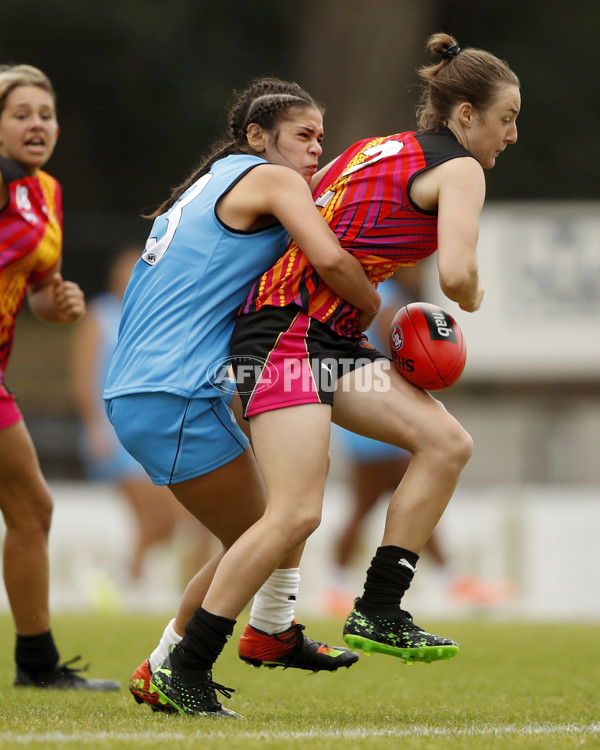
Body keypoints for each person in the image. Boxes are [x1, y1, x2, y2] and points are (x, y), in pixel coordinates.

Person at [151, 33, 520, 717]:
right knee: (294, 512)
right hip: (290, 337)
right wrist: (469, 300)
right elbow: (458, 273)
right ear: (465, 116)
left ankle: (379, 609)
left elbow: (328, 223)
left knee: (446, 444)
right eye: (506, 119)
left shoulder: (374, 147)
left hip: (326, 340)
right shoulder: (464, 169)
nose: (513, 135)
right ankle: (186, 666)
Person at [103, 78, 381, 716]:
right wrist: (367, 304)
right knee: (273, 527)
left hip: (153, 387)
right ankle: (210, 654)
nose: (315, 150)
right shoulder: (271, 179)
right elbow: (333, 261)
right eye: (303, 135)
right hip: (168, 390)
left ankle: (176, 661)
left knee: (263, 531)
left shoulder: (214, 182)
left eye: (321, 137)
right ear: (257, 137)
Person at [0, 64, 120, 690]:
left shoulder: (44, 190)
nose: (37, 125)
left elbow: (39, 287)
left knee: (32, 509)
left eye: (45, 114)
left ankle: (38, 666)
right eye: (20, 114)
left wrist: (59, 300)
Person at [322, 273, 514, 617]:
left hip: (364, 408)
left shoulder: (353, 287)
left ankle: (448, 580)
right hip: (380, 411)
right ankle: (448, 581)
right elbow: (397, 354)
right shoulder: (385, 293)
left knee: (394, 504)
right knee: (395, 503)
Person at [71, 246, 217, 601]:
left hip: (147, 433)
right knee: (156, 519)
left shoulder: (152, 316)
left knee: (169, 522)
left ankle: (121, 580)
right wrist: (93, 426)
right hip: (111, 433)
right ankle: (120, 581)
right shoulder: (102, 315)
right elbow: (83, 376)